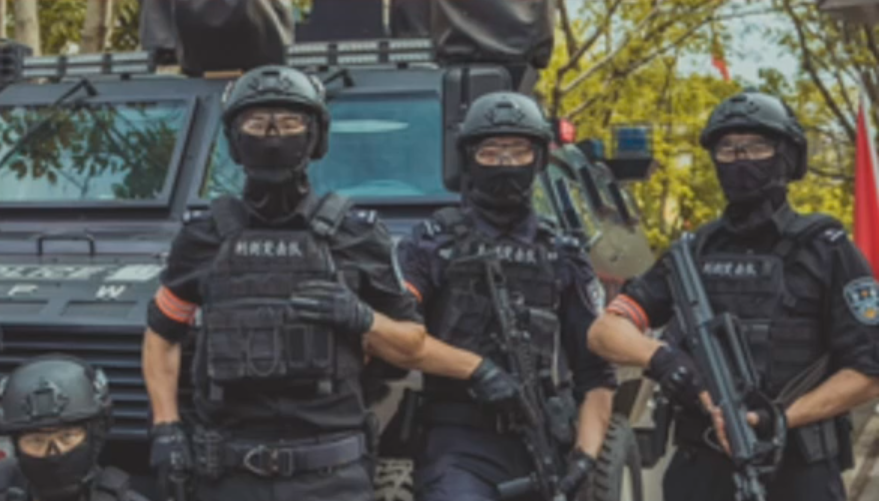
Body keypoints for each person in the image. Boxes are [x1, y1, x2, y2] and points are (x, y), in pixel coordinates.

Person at [141, 65, 500, 501]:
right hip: (228, 476)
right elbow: (163, 334)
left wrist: (362, 319)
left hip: (331, 477)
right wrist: (166, 427)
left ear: (316, 137)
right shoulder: (204, 238)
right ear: (234, 139)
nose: (273, 136)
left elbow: (411, 343)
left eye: (290, 122)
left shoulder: (357, 236)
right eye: (257, 123)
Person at [588, 89, 879, 501]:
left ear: (787, 156)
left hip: (799, 472)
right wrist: (666, 361)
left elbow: (869, 372)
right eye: (728, 149)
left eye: (757, 146)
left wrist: (779, 419)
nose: (741, 159)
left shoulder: (827, 250)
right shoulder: (693, 254)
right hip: (701, 471)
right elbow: (604, 331)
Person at [396, 91, 616, 501]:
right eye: (490, 152)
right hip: (458, 442)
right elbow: (396, 336)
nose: (504, 163)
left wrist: (585, 459)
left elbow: (597, 376)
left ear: (538, 158)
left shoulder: (562, 254)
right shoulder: (432, 244)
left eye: (517, 151)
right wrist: (478, 370)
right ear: (468, 159)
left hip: (545, 443)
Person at [0, 356, 148, 501]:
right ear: (16, 445)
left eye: (67, 437)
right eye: (36, 441)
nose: (53, 453)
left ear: (93, 436)